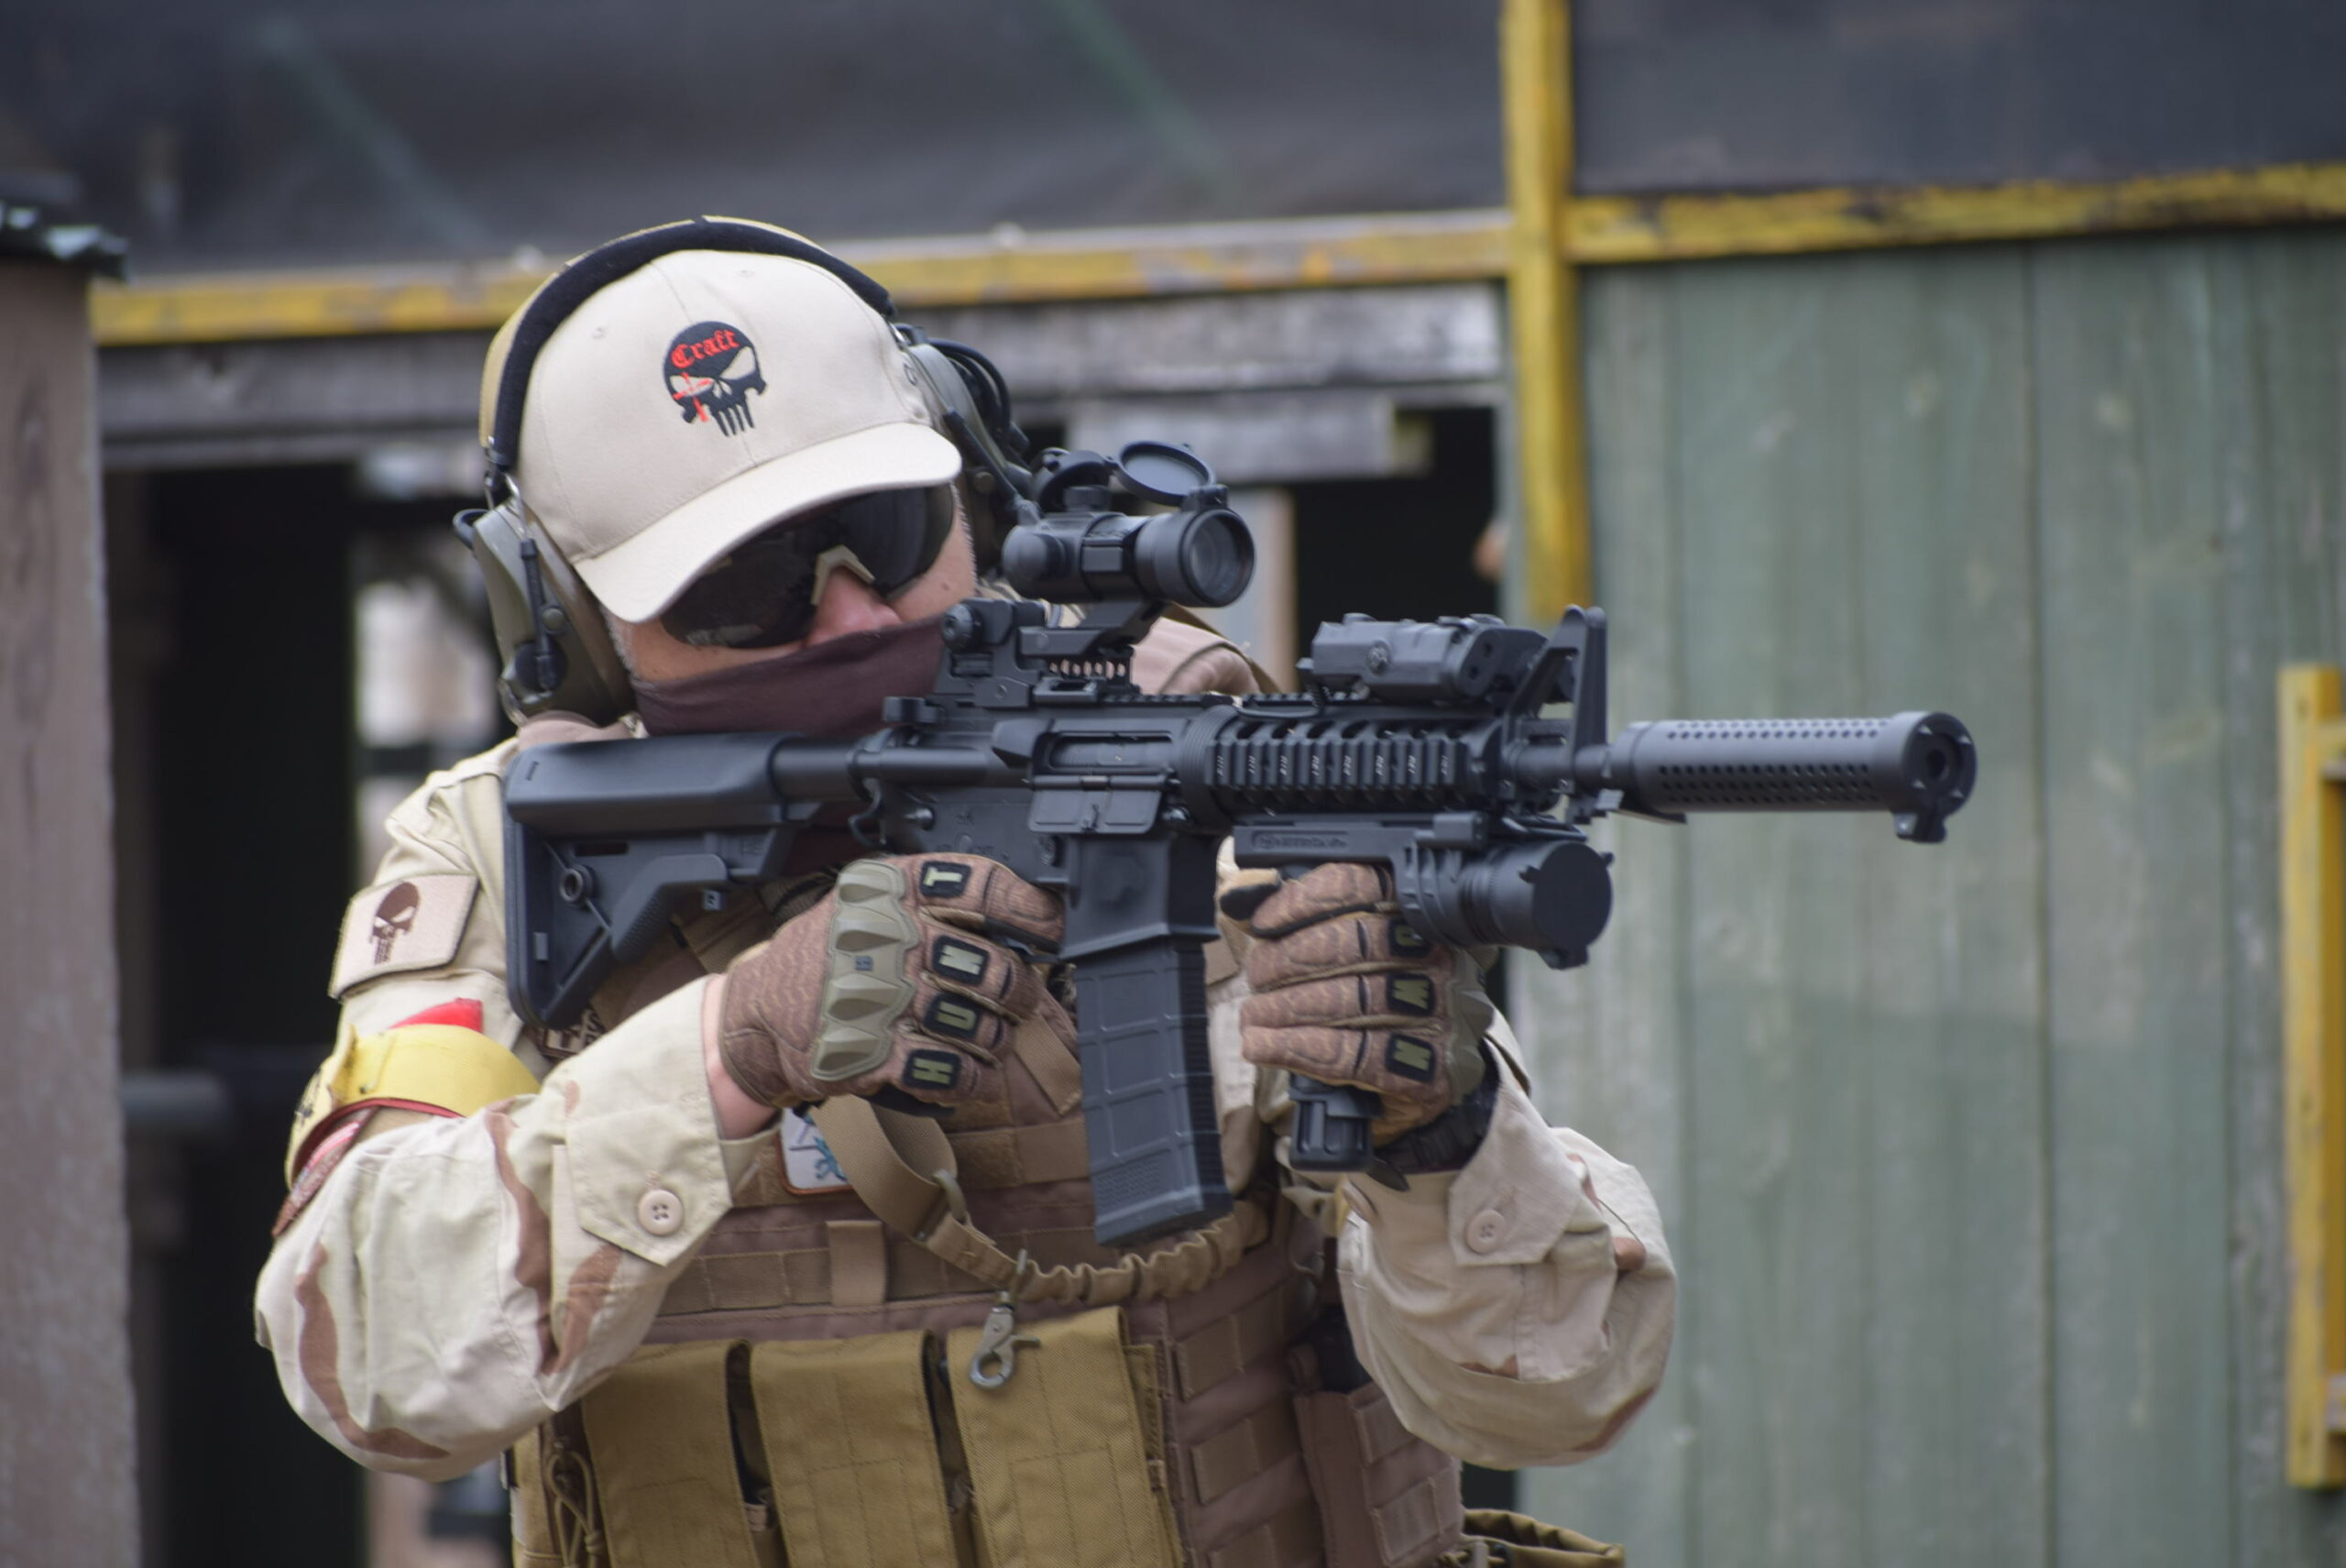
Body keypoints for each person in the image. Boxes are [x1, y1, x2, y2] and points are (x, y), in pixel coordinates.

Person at [256, 219, 1673, 1568]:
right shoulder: (496, 851)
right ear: (571, 619)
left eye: (884, 528)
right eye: (746, 585)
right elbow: (367, 1363)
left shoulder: (1213, 782)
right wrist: (732, 1046)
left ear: (972, 490)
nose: (853, 613)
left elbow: (1557, 1397)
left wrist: (1442, 1139)